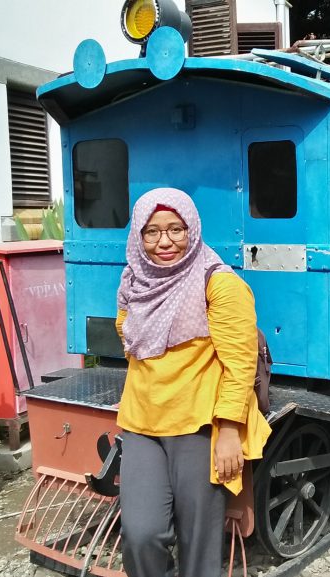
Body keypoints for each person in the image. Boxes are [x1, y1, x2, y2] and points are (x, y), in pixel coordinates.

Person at [115, 188, 272, 576]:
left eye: (175, 229)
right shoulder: (134, 280)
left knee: (199, 542)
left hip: (199, 424)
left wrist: (230, 430)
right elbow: (127, 335)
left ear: (192, 229)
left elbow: (239, 363)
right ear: (138, 236)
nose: (163, 242)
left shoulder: (218, 283)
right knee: (141, 533)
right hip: (141, 422)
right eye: (151, 232)